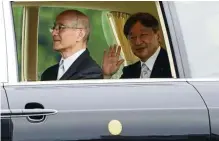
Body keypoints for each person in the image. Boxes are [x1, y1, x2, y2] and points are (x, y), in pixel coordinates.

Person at [102, 12, 172, 79]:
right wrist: (107, 75)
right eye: (132, 37)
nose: (137, 42)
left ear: (158, 36)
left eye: (143, 35)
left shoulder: (174, 65)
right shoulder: (129, 72)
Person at [41, 10, 103, 81]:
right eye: (54, 28)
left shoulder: (91, 73)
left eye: (61, 27)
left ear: (80, 34)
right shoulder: (49, 73)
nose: (54, 33)